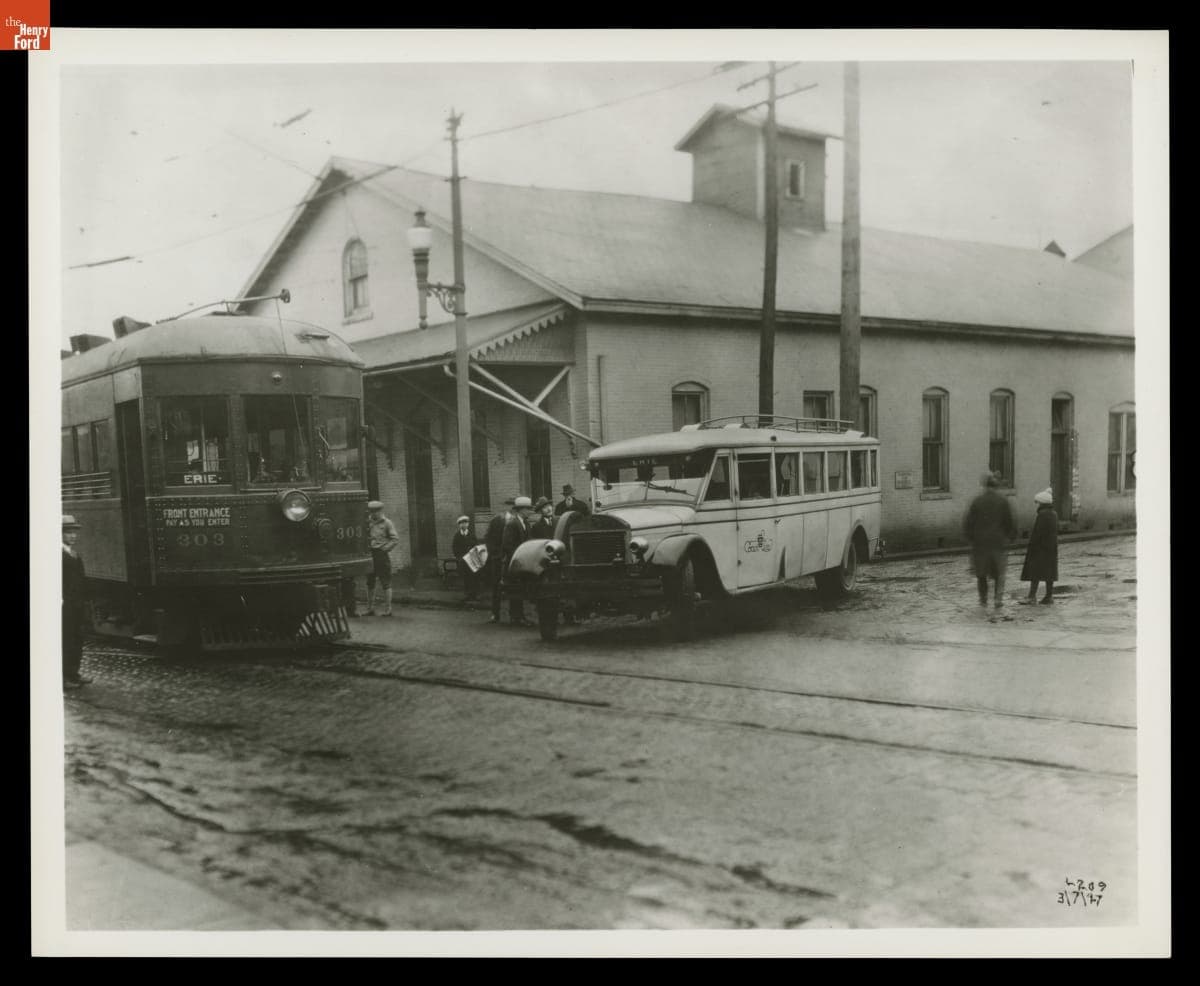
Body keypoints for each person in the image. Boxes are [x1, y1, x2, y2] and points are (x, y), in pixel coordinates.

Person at [963, 471, 1017, 612]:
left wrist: (971, 538)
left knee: (981, 574)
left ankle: (983, 600)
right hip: (998, 543)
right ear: (996, 486)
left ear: (985, 486)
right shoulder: (1003, 501)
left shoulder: (977, 501)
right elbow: (1009, 522)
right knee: (999, 573)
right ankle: (998, 600)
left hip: (980, 544)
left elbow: (968, 523)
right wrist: (1011, 537)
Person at [62, 515, 91, 688]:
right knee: (66, 639)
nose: (73, 536)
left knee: (76, 638)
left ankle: (73, 673)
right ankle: (64, 678)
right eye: (68, 532)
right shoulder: (57, 554)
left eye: (74, 532)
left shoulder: (73, 553)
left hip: (76, 604)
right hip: (65, 604)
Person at [1020, 488, 1059, 605]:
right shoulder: (1054, 514)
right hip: (1051, 548)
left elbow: (1038, 533)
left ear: (1042, 503)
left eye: (1038, 503)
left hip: (1040, 548)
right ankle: (1049, 596)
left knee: (1035, 572)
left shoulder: (1043, 515)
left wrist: (1032, 546)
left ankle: (1032, 596)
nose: (1037, 505)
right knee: (1049, 573)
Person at [501, 496, 535, 626]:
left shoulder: (526, 524)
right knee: (515, 589)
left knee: (520, 589)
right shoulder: (512, 524)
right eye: (527, 509)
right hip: (514, 562)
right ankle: (516, 617)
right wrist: (519, 556)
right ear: (521, 510)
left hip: (523, 562)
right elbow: (507, 545)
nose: (529, 512)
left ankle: (519, 616)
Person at [364, 500, 400, 616]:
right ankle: (370, 609)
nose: (374, 514)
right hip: (370, 555)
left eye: (376, 511)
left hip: (381, 555)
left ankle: (388, 609)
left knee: (385, 582)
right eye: (372, 512)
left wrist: (384, 549)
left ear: (381, 511)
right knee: (370, 582)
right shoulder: (367, 522)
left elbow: (395, 539)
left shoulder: (387, 523)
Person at [486, 498, 516, 624]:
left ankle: (514, 615)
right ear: (506, 507)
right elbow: (488, 537)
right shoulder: (497, 520)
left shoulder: (518, 522)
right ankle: (495, 613)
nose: (512, 509)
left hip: (512, 559)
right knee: (496, 585)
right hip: (498, 559)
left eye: (514, 507)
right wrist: (494, 553)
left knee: (514, 586)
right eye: (510, 506)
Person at [452, 515, 482, 601]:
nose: (464, 525)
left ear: (468, 524)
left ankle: (475, 594)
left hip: (472, 559)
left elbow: (476, 546)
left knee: (474, 576)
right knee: (466, 578)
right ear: (459, 525)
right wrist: (459, 557)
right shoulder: (457, 536)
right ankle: (468, 594)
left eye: (465, 523)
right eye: (461, 523)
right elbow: (455, 548)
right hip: (463, 560)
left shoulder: (472, 535)